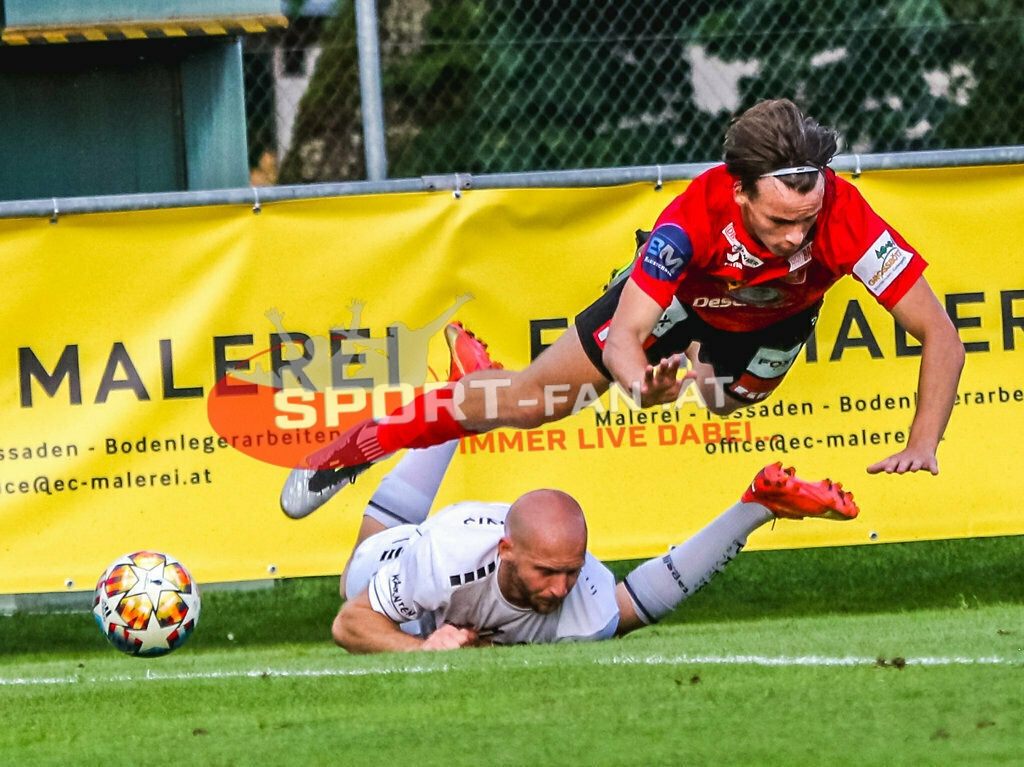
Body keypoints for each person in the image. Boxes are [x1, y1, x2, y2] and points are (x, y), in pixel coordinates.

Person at [286, 98, 964, 519]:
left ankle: (692, 372)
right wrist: (642, 383)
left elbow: (938, 331)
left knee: (726, 403)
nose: (796, 237)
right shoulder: (690, 219)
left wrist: (923, 440)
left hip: (775, 320)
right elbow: (624, 342)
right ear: (739, 193)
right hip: (679, 306)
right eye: (781, 222)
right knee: (527, 403)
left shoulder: (843, 215)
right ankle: (350, 449)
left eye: (807, 220)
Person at [331, 440, 858, 653]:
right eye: (545, 572)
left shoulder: (578, 590)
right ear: (506, 551)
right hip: (403, 556)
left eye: (570, 570)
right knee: (353, 578)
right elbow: (349, 624)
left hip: (474, 592)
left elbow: (631, 602)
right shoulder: (442, 556)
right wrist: (423, 650)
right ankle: (460, 399)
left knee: (620, 616)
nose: (560, 588)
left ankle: (758, 505)